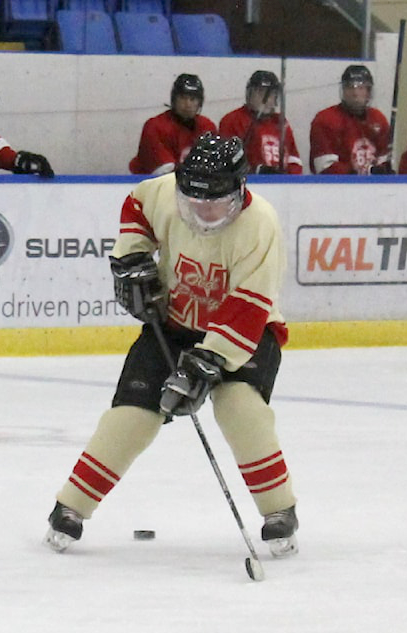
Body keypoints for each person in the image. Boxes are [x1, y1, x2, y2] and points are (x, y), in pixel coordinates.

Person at [45, 133, 299, 561]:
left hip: (245, 334)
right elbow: (138, 207)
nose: (200, 211)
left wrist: (208, 363)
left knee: (241, 409)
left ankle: (279, 512)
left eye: (212, 203)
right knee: (132, 416)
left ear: (237, 193)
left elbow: (249, 306)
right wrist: (133, 258)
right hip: (175, 324)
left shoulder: (261, 225)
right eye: (191, 199)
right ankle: (71, 506)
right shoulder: (164, 193)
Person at [310, 65, 393, 174]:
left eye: (361, 87)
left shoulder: (378, 119)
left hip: (373, 188)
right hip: (338, 188)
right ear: (343, 91)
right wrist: (365, 172)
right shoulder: (325, 119)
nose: (355, 93)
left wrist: (382, 171)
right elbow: (325, 168)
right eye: (350, 87)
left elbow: (384, 161)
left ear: (369, 92)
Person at [129, 73, 217, 175]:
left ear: (199, 103)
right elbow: (164, 172)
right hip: (147, 184)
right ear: (174, 100)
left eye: (193, 99)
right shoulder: (155, 127)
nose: (188, 104)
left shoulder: (207, 127)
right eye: (183, 98)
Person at [219, 70, 303, 174]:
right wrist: (256, 171)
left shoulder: (281, 122)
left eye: (271, 94)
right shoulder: (233, 120)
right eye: (260, 92)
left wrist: (288, 180)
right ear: (249, 94)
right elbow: (227, 163)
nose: (266, 99)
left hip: (282, 186)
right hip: (249, 184)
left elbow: (294, 160)